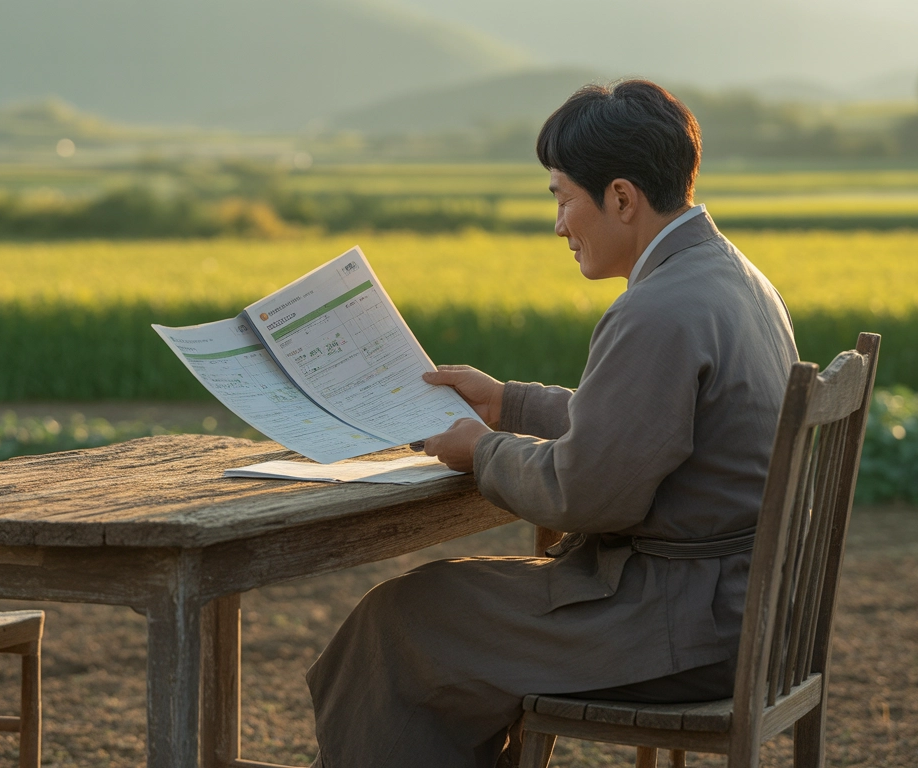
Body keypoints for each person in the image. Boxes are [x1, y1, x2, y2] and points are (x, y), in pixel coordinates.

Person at [306, 79, 798, 768]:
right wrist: (510, 403)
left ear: (621, 198)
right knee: (426, 615)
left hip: (681, 623)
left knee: (399, 627)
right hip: (743, 612)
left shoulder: (655, 312)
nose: (560, 225)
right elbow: (645, 425)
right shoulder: (732, 279)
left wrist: (484, 451)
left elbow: (587, 494)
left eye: (564, 198)